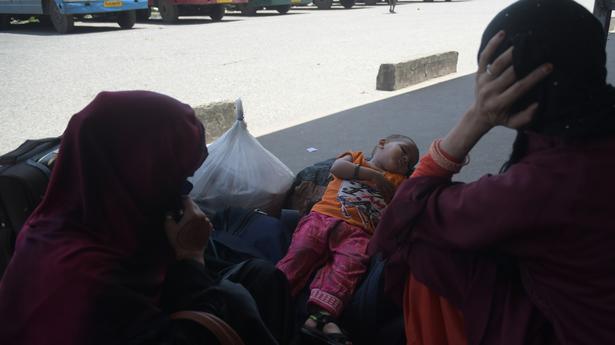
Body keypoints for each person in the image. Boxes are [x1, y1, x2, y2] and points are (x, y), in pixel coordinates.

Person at [369, 0, 615, 344]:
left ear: (511, 87)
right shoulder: (592, 135)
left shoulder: (541, 185)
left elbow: (401, 218)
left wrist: (476, 118)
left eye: (489, 75)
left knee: (425, 252)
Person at [0, 90, 293, 345]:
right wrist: (191, 260)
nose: (185, 196)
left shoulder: (84, 218)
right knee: (237, 300)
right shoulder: (85, 282)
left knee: (262, 276)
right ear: (138, 179)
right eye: (179, 182)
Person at [276, 135, 419, 345]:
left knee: (347, 268)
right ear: (382, 143)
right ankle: (275, 291)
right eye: (404, 150)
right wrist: (374, 175)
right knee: (301, 252)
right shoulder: (355, 158)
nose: (406, 160)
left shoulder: (400, 182)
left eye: (410, 162)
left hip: (359, 233)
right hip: (323, 218)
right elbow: (337, 168)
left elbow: (409, 201)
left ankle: (321, 315)